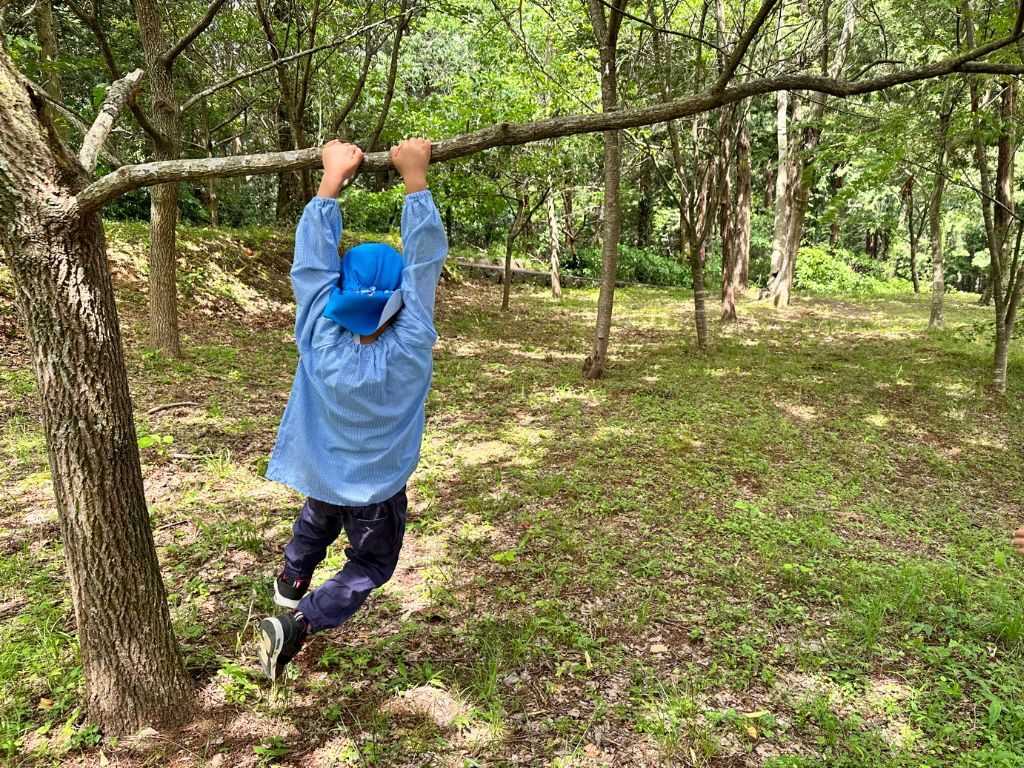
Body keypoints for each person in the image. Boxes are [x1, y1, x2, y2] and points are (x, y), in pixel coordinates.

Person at [258, 137, 447, 681]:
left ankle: (292, 580)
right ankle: (299, 621)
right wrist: (415, 180)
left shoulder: (318, 336)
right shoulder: (412, 343)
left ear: (341, 291)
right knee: (371, 562)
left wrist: (331, 181)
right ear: (401, 300)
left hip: (323, 473)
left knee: (318, 518)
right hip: (377, 491)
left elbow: (310, 268)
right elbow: (424, 263)